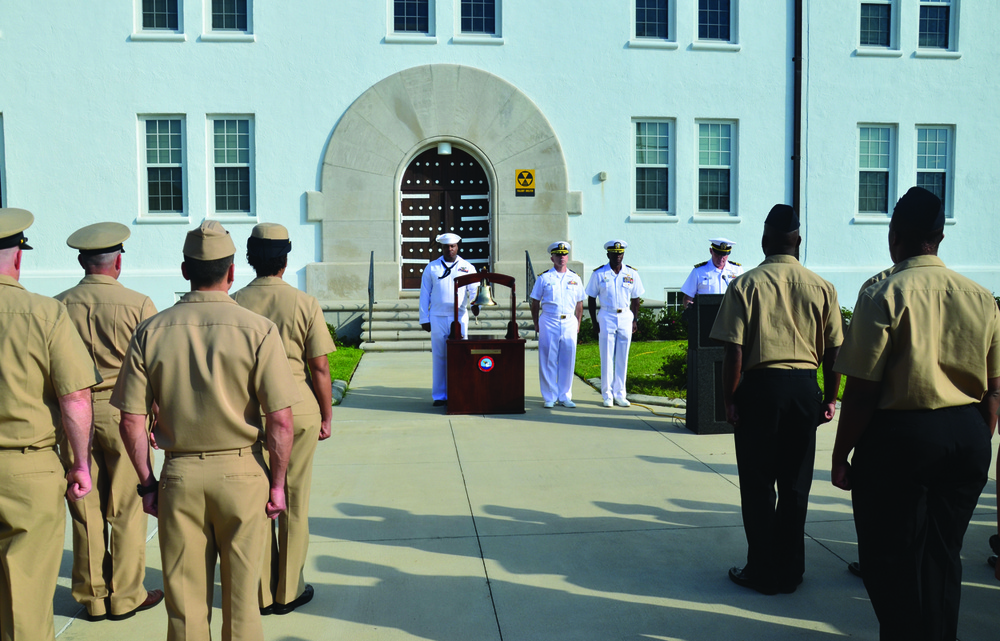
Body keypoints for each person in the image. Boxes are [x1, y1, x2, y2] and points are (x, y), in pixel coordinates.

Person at [113, 221, 299, 641]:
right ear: (231, 272)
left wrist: (147, 483)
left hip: (181, 474)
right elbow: (281, 420)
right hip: (243, 473)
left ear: (184, 270)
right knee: (243, 605)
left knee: (185, 606)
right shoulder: (258, 329)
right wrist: (279, 483)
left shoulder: (151, 330)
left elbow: (131, 419)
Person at [831, 187, 1000, 640]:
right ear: (939, 237)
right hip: (967, 433)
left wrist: (840, 454)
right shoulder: (982, 297)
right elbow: (994, 388)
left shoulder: (883, 292)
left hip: (901, 438)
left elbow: (863, 391)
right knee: (943, 558)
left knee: (891, 562)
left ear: (896, 235)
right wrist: (980, 437)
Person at [710, 205, 842, 595]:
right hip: (804, 389)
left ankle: (761, 568)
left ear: (766, 240)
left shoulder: (746, 285)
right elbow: (835, 354)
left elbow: (733, 351)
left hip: (760, 390)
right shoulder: (822, 287)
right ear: (797, 241)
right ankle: (791, 568)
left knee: (757, 484)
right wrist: (830, 398)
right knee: (796, 484)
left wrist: (729, 400)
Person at [54, 222, 163, 622]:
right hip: (123, 411)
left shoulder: (57, 304)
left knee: (85, 504)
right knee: (128, 505)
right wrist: (155, 414)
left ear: (83, 261)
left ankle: (93, 597)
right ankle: (127, 594)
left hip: (75, 413)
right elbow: (155, 368)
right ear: (117, 261)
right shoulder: (139, 304)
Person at [0, 208, 98, 640]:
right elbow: (74, 397)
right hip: (28, 466)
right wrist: (79, 462)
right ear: (18, 257)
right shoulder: (44, 313)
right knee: (26, 596)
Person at [231, 223, 336, 616]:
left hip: (251, 409)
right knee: (294, 499)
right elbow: (321, 367)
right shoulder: (304, 303)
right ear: (285, 260)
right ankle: (288, 589)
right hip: (297, 406)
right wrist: (327, 415)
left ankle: (259, 590)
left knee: (258, 501)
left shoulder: (235, 301)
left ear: (248, 259)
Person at [419, 233, 478, 406]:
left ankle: (461, 390)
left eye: (452, 246)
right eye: (446, 246)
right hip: (437, 317)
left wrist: (477, 306)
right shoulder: (432, 267)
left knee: (461, 355)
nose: (450, 249)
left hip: (459, 317)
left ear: (457, 247)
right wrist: (424, 317)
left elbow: (474, 290)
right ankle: (440, 395)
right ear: (442, 248)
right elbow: (424, 294)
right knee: (439, 356)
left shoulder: (467, 267)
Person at [585, 240, 644, 407]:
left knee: (622, 357)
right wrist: (594, 320)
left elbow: (636, 299)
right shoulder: (599, 274)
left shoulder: (631, 273)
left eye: (620, 253)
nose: (618, 256)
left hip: (625, 315)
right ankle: (607, 394)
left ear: (623, 254)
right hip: (606, 315)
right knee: (606, 356)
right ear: (608, 254)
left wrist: (635, 319)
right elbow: (591, 297)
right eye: (614, 253)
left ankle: (620, 394)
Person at [530, 241, 586, 408]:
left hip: (569, 320)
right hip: (549, 319)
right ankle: (549, 396)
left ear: (567, 257)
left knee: (568, 359)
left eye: (564, 255)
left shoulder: (575, 278)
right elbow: (534, 302)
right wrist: (536, 323)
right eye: (558, 255)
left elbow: (579, 304)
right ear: (552, 257)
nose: (561, 257)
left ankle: (565, 395)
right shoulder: (544, 278)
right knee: (548, 359)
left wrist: (578, 323)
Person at [680, 237, 743, 306]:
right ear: (711, 251)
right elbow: (688, 297)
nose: (721, 258)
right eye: (717, 254)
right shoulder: (699, 271)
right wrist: (691, 308)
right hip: (706, 313)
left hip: (730, 313)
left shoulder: (737, 270)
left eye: (724, 255)